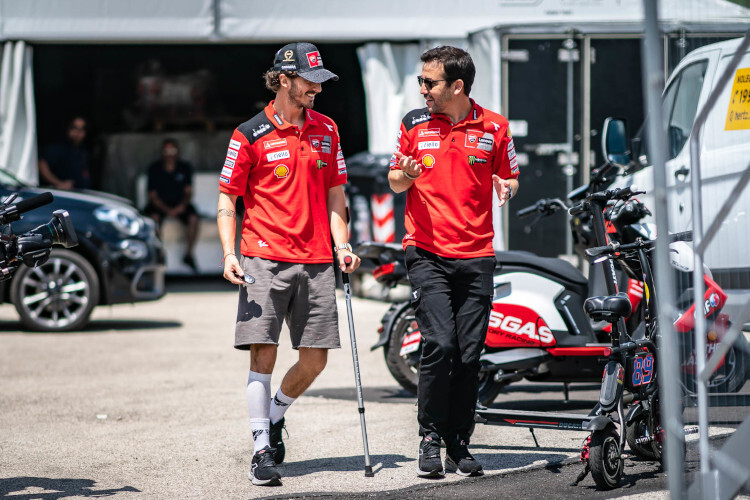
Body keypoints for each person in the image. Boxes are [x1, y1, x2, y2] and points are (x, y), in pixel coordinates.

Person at [216, 42, 360, 487]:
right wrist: (228, 253)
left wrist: (342, 245)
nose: (316, 89)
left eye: (320, 82)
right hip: (263, 257)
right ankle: (261, 449)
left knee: (315, 360)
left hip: (317, 259)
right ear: (283, 79)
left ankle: (275, 415)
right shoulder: (249, 133)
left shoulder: (328, 129)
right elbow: (228, 198)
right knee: (264, 353)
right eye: (308, 81)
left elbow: (336, 191)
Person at [388, 46, 520, 478]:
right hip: (426, 251)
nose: (422, 89)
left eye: (430, 82)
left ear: (457, 86)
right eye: (421, 82)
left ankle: (458, 442)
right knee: (440, 344)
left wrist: (507, 186)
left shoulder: (496, 127)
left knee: (468, 354)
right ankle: (429, 436)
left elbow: (511, 174)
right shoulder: (413, 122)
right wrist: (407, 173)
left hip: (477, 254)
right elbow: (394, 179)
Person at [142, 138, 200, 272]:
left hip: (180, 204)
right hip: (160, 206)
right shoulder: (154, 169)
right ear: (162, 152)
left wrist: (181, 207)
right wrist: (167, 210)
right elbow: (152, 196)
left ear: (177, 152)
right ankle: (158, 254)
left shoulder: (185, 168)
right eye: (166, 150)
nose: (169, 154)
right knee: (153, 219)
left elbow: (188, 193)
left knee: (193, 218)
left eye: (172, 150)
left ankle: (188, 255)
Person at [38, 116, 91, 190]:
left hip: (81, 193)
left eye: (82, 129)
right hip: (63, 194)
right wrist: (58, 183)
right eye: (75, 128)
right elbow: (42, 164)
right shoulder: (59, 148)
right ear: (68, 128)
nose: (78, 133)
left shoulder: (83, 151)